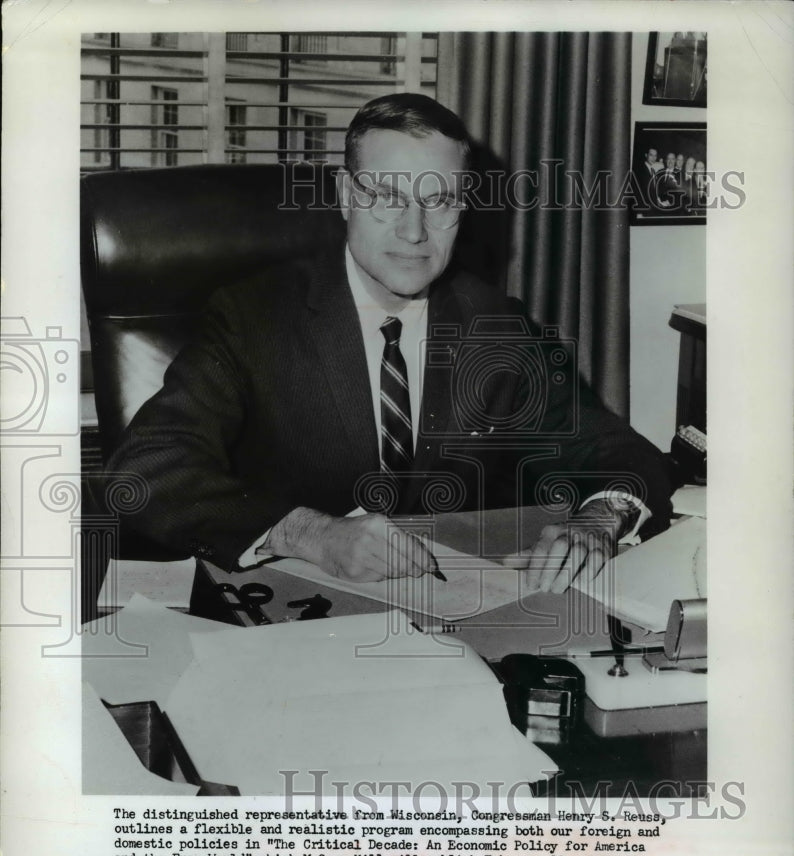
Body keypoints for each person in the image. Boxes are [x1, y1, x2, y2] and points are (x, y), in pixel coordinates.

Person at [107, 94, 672, 594]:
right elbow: (147, 468)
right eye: (385, 196)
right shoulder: (252, 317)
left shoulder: (495, 324)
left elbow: (617, 452)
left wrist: (598, 521)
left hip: (452, 613)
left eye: (440, 200)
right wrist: (310, 532)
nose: (414, 230)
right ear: (346, 195)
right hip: (292, 608)